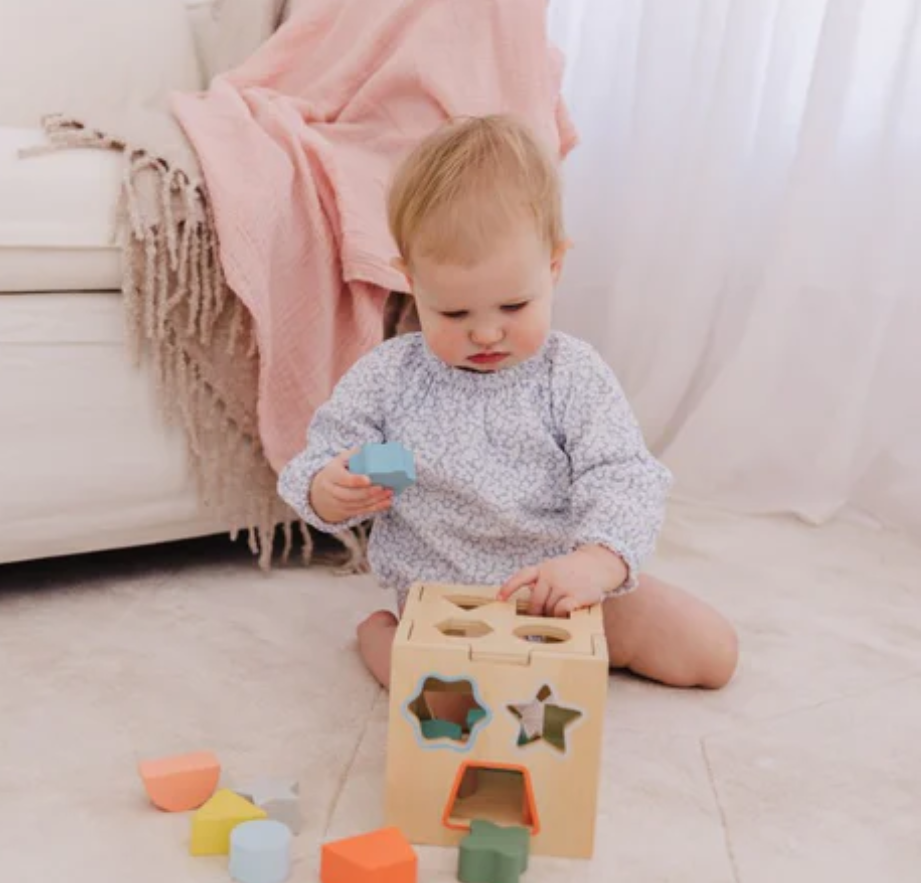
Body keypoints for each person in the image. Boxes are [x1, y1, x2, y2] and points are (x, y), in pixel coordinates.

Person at [278, 115, 738, 690]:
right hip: (447, 604)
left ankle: (579, 619)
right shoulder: (390, 376)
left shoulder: (572, 375)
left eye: (514, 306)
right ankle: (382, 633)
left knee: (711, 654)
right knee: (432, 691)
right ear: (411, 283)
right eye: (454, 314)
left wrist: (596, 564)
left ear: (554, 267)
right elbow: (318, 456)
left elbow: (623, 475)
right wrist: (329, 487)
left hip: (560, 590)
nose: (487, 334)